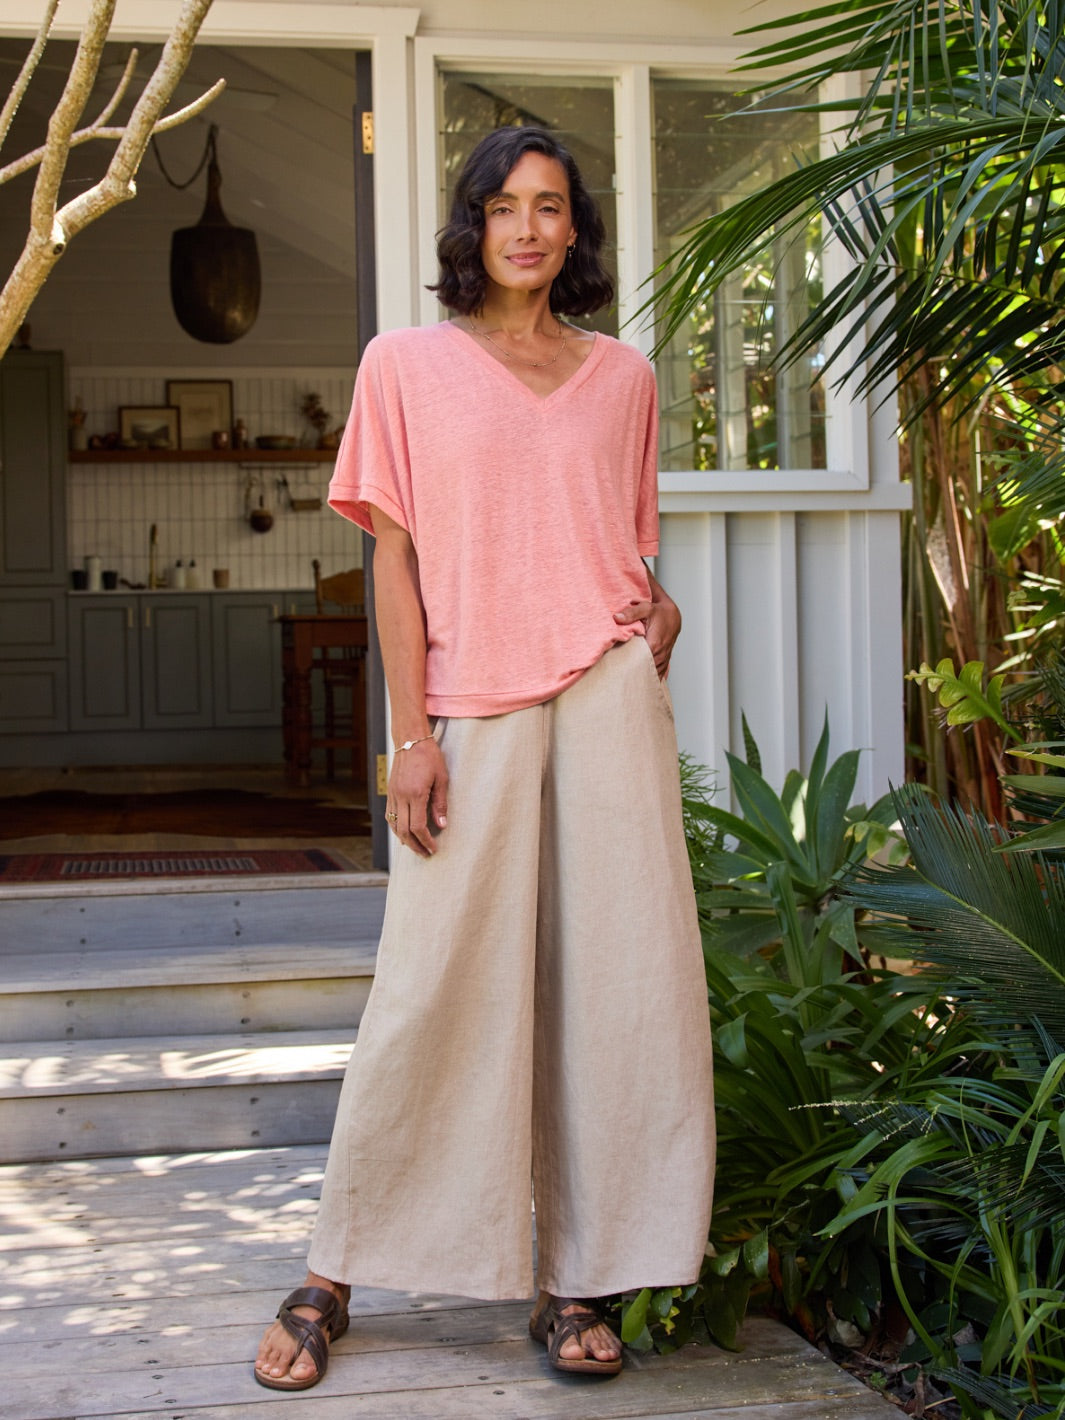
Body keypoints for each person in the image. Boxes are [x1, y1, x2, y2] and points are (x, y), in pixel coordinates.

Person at [254, 124, 715, 1392]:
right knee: (431, 985)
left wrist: (659, 607)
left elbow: (616, 545)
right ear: (473, 225)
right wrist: (411, 735)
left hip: (607, 698)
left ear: (575, 229)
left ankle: (579, 1280)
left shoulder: (623, 377)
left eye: (550, 206)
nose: (527, 227)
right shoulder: (404, 366)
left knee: (616, 990)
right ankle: (337, 1265)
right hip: (471, 707)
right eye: (505, 205)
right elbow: (394, 564)